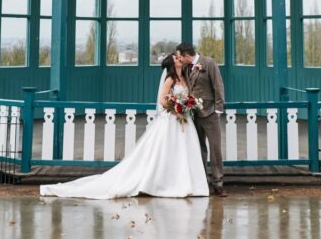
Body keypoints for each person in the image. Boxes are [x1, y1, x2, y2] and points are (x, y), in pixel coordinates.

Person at [39, 54, 209, 199]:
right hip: (171, 119)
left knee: (184, 151)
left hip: (184, 120)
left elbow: (189, 89)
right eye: (176, 58)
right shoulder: (170, 79)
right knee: (166, 151)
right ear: (172, 64)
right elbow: (162, 100)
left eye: (179, 57)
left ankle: (187, 182)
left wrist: (186, 105)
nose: (179, 59)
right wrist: (176, 108)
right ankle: (163, 182)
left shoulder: (184, 77)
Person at [175, 42, 227, 197]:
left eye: (180, 57)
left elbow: (218, 85)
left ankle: (218, 184)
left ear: (186, 55)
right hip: (194, 114)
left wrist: (218, 108)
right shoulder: (185, 67)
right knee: (199, 149)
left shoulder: (208, 63)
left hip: (211, 113)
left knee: (215, 149)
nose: (180, 60)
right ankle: (202, 182)